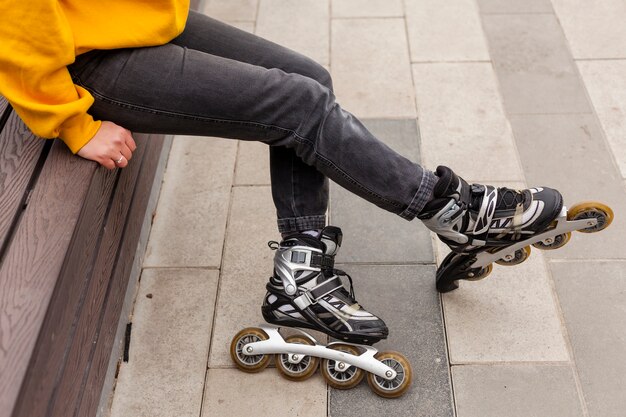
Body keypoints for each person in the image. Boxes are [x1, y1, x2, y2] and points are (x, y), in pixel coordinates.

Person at [0, 1, 572, 359]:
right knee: (299, 106)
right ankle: (454, 209)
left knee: (308, 79)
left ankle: (298, 274)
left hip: (129, 20)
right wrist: (72, 122)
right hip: (83, 59)